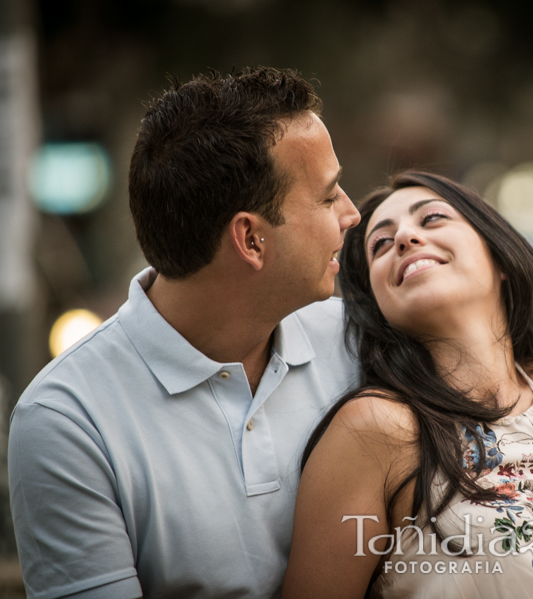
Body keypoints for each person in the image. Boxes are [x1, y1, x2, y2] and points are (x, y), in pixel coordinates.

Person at [8, 67, 360, 598]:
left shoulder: (360, 343)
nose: (352, 214)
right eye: (328, 196)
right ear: (251, 239)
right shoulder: (68, 422)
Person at [282, 171, 533, 598]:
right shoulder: (375, 428)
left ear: (499, 256)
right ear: (377, 304)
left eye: (432, 218)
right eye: (380, 245)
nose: (403, 238)